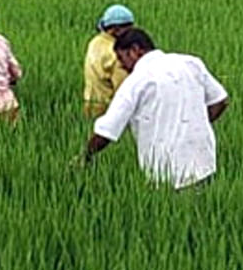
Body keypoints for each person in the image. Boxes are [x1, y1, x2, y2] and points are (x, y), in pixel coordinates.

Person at [84, 29, 229, 190]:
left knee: (171, 211)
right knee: (206, 209)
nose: (121, 66)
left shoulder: (136, 81)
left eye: (121, 58)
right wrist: (194, 124)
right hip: (204, 162)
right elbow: (220, 101)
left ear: (135, 50)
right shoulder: (190, 63)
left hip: (166, 172)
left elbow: (107, 130)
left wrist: (86, 155)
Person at [83, 4, 134, 117]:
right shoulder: (116, 54)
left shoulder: (94, 42)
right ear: (116, 30)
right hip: (108, 111)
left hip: (90, 106)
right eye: (129, 29)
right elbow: (123, 90)